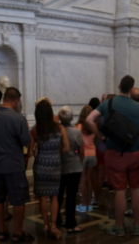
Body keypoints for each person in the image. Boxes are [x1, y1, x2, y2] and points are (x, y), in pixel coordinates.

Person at [84, 76, 139, 237]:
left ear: (119, 86)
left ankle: (118, 227)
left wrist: (100, 138)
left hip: (114, 152)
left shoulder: (107, 103)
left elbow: (89, 120)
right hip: (135, 152)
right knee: (136, 189)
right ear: (132, 90)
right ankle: (137, 226)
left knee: (119, 190)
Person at [0, 87, 34, 242]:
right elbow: (26, 141)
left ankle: (1, 231)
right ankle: (18, 233)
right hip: (14, 165)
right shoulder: (18, 119)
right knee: (19, 199)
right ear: (16, 101)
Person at [31, 99, 69, 240]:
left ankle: (46, 225)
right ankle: (54, 226)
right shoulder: (59, 128)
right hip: (54, 165)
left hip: (40, 166)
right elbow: (67, 147)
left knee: (42, 197)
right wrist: (56, 151)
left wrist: (34, 149)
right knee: (54, 196)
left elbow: (29, 153)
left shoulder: (35, 130)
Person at [55, 106, 85, 234]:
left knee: (58, 196)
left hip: (59, 168)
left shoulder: (56, 131)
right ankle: (71, 224)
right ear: (72, 118)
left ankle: (56, 221)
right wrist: (80, 163)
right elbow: (81, 151)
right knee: (71, 197)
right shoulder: (76, 132)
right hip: (74, 167)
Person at [76, 105, 99, 214]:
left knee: (83, 180)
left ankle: (83, 204)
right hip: (92, 153)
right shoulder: (94, 126)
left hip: (82, 155)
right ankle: (89, 204)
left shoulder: (78, 127)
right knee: (90, 179)